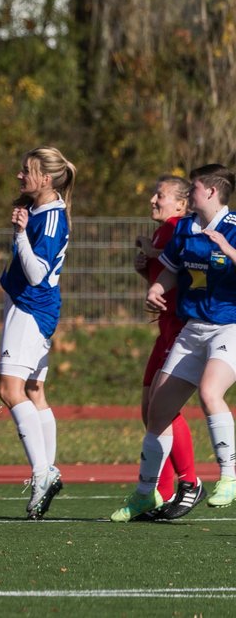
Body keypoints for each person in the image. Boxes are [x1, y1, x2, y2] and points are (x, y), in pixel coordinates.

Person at [113, 164, 236, 522]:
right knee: (157, 412)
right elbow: (170, 268)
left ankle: (228, 477)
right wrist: (156, 286)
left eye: (194, 188)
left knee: (211, 393)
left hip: (229, 327)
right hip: (192, 329)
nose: (189, 193)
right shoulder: (185, 227)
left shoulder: (232, 228)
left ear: (211, 192)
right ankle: (144, 493)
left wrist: (226, 247)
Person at [0, 146, 74, 520]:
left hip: (31, 309)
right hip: (30, 307)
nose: (19, 175)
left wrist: (21, 233)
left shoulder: (51, 218)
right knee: (32, 390)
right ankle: (49, 470)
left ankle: (43, 473)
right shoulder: (42, 210)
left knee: (9, 390)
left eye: (26, 170)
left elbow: (37, 273)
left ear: (45, 177)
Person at [128, 175, 203, 519]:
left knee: (163, 407)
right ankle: (162, 490)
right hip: (166, 327)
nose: (152, 200)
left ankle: (189, 482)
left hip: (182, 327)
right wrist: (147, 271)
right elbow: (166, 277)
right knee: (149, 409)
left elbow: (185, 261)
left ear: (181, 203)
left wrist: (153, 251)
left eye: (159, 195)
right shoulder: (163, 230)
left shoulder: (180, 227)